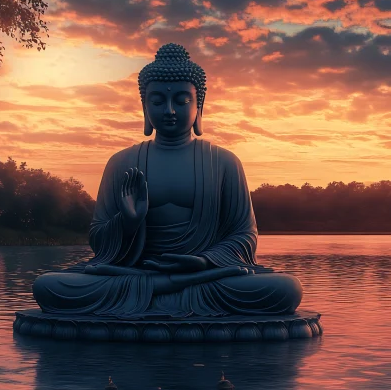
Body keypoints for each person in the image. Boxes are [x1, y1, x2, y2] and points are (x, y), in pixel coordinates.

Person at [33, 43, 302, 318]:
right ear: (144, 106)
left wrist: (203, 261)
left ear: (200, 105)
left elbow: (244, 235)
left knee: (286, 289)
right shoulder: (122, 163)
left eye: (182, 101)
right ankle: (172, 291)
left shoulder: (224, 162)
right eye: (158, 101)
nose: (170, 110)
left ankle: (164, 292)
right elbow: (99, 241)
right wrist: (127, 223)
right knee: (49, 286)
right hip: (134, 274)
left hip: (205, 276)